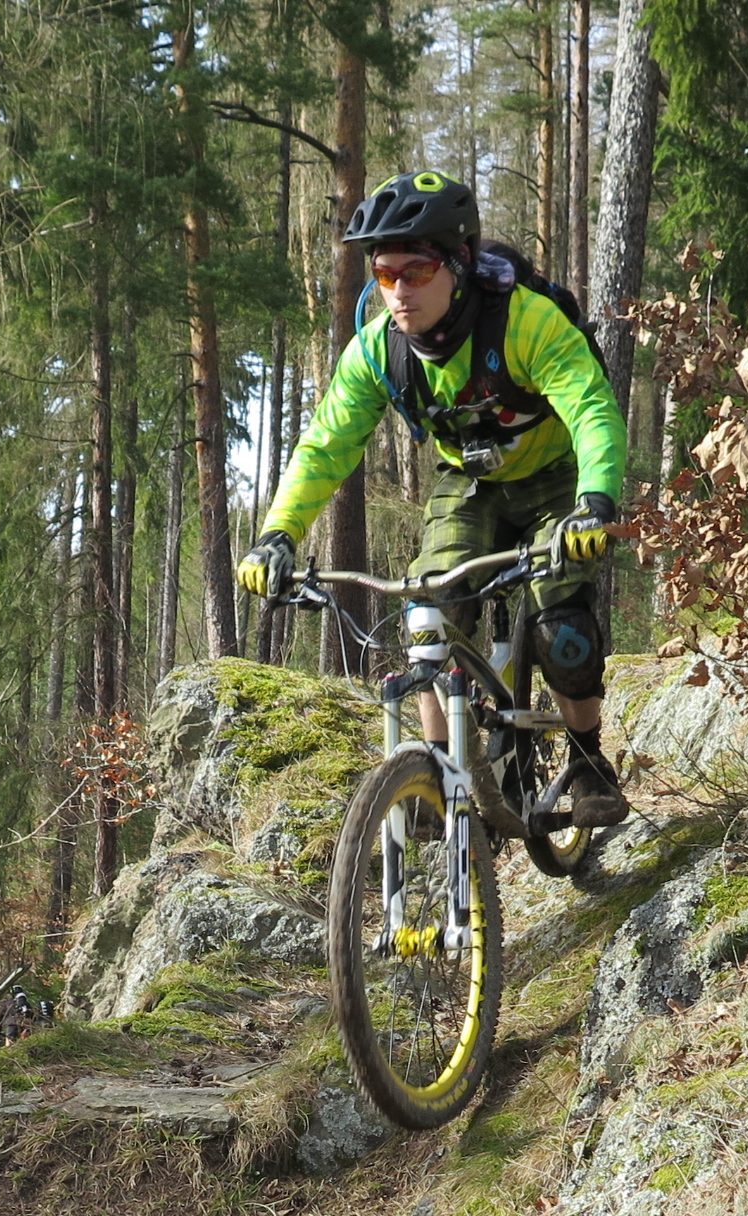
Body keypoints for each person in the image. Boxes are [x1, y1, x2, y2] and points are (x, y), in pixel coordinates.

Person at [237, 170, 631, 829]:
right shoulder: (379, 352)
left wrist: (594, 502)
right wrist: (278, 534)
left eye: (415, 272)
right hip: (469, 486)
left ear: (459, 263)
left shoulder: (525, 323)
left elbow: (592, 410)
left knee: (562, 628)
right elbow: (326, 445)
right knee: (428, 610)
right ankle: (440, 772)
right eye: (384, 275)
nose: (397, 291)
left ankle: (589, 759)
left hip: (557, 477)